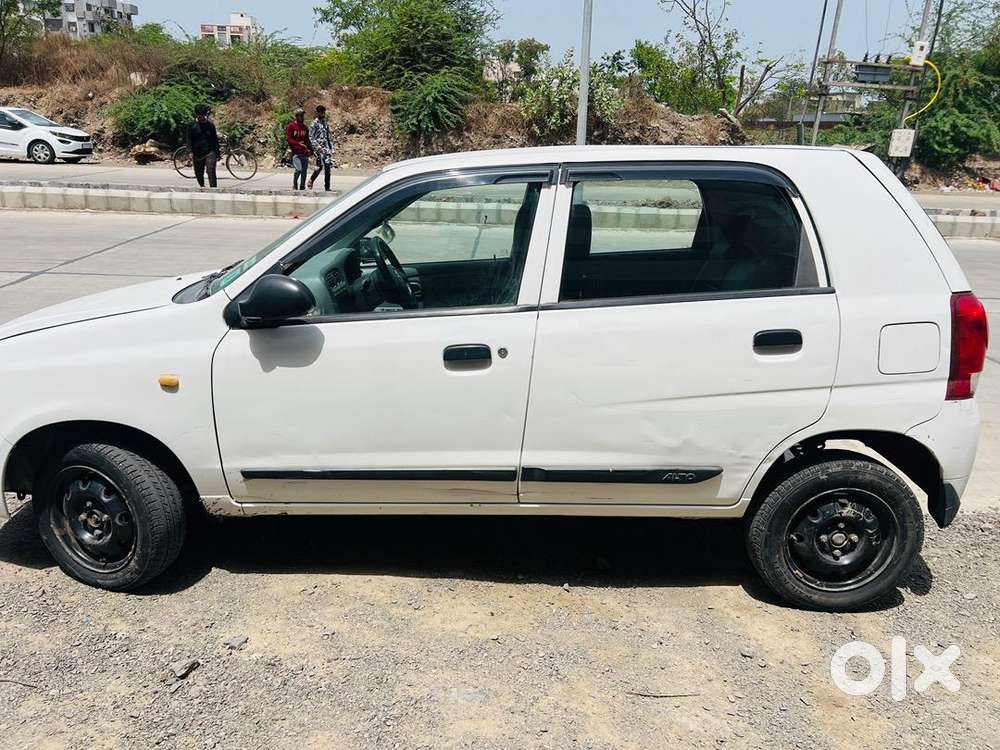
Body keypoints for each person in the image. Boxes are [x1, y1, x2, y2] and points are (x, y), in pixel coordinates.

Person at [188, 104, 220, 189]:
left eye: (202, 116)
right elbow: (189, 139)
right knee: (198, 172)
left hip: (210, 151)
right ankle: (202, 187)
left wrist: (217, 153)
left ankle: (213, 189)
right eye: (199, 116)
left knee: (211, 170)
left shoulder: (210, 125)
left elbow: (215, 140)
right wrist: (190, 151)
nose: (201, 118)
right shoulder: (192, 125)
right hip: (197, 152)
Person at [308, 105, 334, 192]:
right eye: (321, 112)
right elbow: (311, 138)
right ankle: (312, 179)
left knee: (328, 167)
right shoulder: (314, 124)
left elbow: (328, 136)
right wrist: (317, 147)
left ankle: (327, 187)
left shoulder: (325, 123)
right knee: (319, 167)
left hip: (326, 149)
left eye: (324, 112)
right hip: (318, 149)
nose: (323, 114)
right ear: (318, 113)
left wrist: (331, 147)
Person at [285, 108, 312, 191]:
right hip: (296, 153)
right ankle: (295, 183)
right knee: (299, 169)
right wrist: (298, 144)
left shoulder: (305, 127)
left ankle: (302, 187)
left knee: (304, 172)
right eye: (301, 115)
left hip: (304, 153)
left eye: (303, 115)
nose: (302, 117)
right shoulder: (291, 126)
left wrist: (311, 149)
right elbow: (289, 139)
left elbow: (307, 140)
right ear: (297, 116)